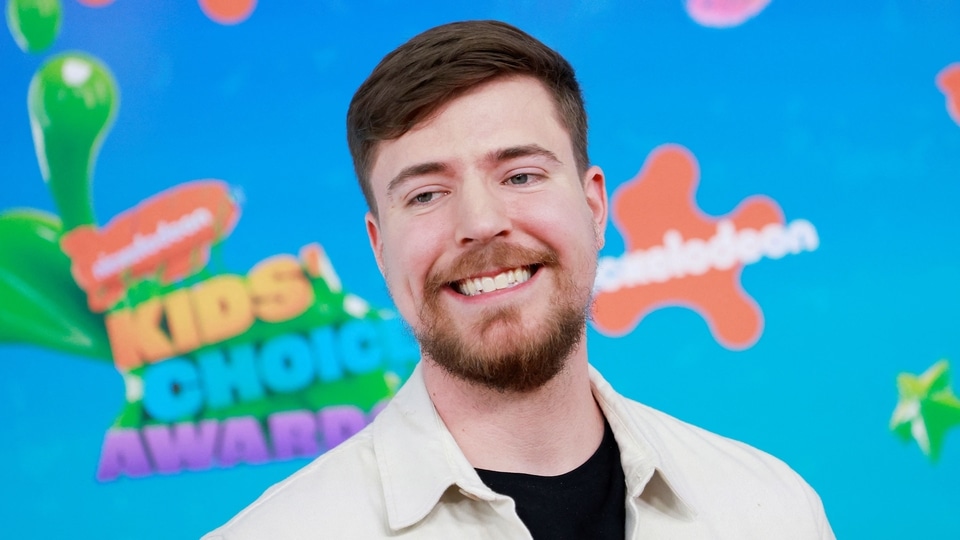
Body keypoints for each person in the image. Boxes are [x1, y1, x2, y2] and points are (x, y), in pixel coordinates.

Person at [203, 20, 834, 539]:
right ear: (378, 246)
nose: (480, 222)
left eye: (521, 176)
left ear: (593, 207)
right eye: (426, 194)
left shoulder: (770, 510)